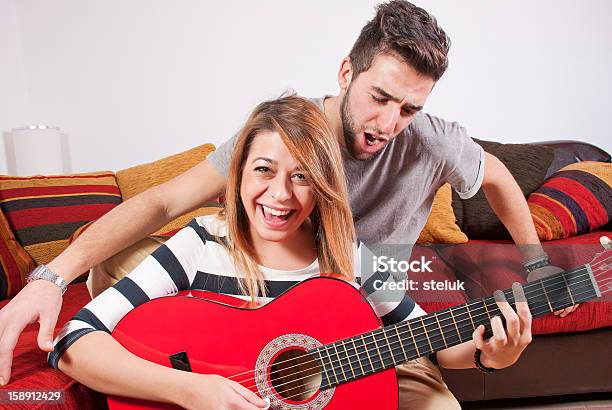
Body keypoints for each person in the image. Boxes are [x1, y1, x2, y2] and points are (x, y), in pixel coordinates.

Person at [0, 0, 572, 388]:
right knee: (121, 265)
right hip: (263, 300)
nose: (389, 122)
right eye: (380, 97)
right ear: (347, 72)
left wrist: (536, 270)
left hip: (370, 317)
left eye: (409, 108)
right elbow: (162, 203)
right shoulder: (286, 134)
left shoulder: (431, 142)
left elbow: (496, 178)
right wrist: (54, 275)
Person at [50, 96, 533, 409]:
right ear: (237, 174)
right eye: (263, 170)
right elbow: (74, 339)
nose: (280, 194)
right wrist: (192, 390)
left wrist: (493, 356)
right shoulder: (199, 245)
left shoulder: (348, 256)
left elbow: (437, 344)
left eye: (301, 176)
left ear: (322, 186)